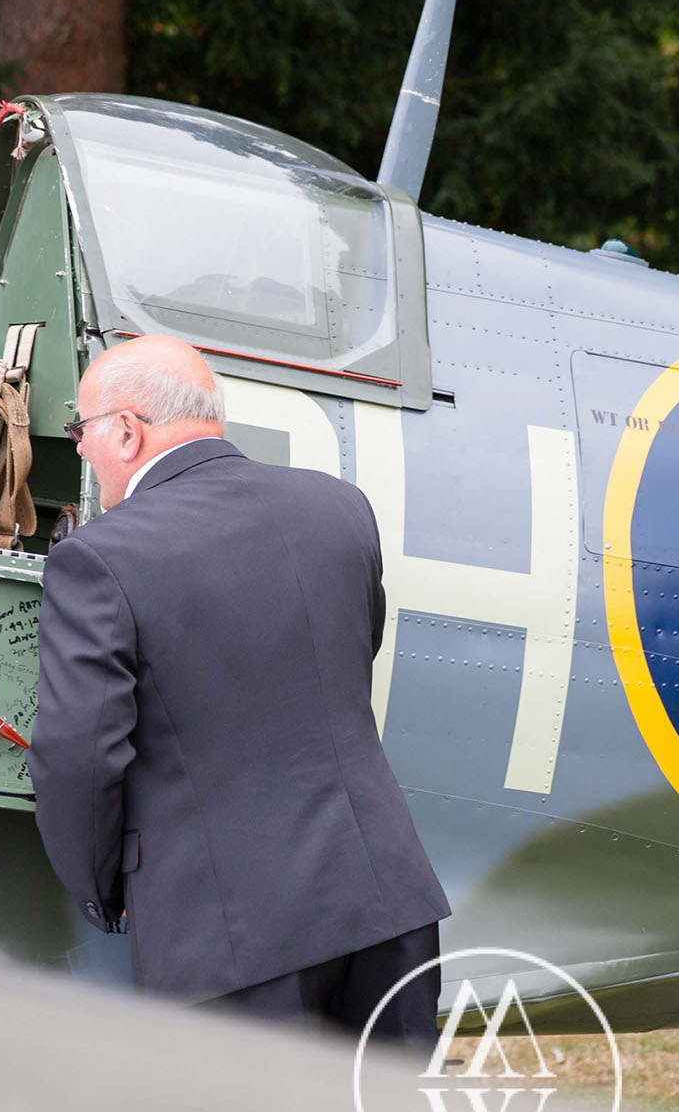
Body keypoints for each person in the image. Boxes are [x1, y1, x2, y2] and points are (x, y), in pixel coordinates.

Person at [27, 334, 450, 1041]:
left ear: (127, 431)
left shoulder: (98, 557)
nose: (78, 448)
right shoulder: (339, 509)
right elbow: (351, 661)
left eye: (82, 429)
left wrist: (100, 888)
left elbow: (79, 753)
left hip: (229, 935)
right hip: (388, 907)